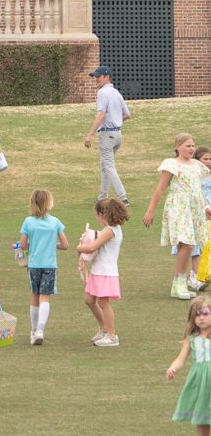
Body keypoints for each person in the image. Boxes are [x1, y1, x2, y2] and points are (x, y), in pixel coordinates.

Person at [144, 134, 211, 301]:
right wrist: (150, 211)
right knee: (187, 244)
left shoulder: (197, 165)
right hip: (178, 207)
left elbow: (197, 190)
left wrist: (205, 207)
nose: (191, 149)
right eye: (187, 145)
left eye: (192, 146)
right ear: (178, 147)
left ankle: (178, 285)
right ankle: (180, 282)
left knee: (189, 244)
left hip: (195, 209)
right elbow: (160, 188)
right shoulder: (171, 164)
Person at [166, 296, 211, 436]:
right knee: (203, 433)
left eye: (206, 313)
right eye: (197, 315)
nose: (201, 318)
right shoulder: (191, 340)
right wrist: (172, 368)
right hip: (201, 387)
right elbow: (181, 359)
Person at [20, 189, 69, 345]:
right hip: (49, 264)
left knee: (35, 295)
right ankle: (40, 329)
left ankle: (34, 330)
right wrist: (53, 245)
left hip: (34, 264)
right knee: (45, 296)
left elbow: (22, 244)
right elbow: (66, 245)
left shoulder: (28, 221)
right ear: (49, 203)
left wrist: (30, 245)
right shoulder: (55, 222)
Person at [77, 197, 126, 347]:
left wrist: (79, 248)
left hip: (105, 272)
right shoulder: (109, 230)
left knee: (104, 302)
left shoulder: (110, 231)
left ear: (102, 214)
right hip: (98, 271)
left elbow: (92, 247)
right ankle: (104, 329)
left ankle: (111, 336)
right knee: (90, 300)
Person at [83, 65, 131, 201]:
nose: (96, 79)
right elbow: (127, 114)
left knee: (108, 166)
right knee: (105, 166)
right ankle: (103, 196)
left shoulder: (102, 93)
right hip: (117, 135)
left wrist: (90, 134)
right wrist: (115, 120)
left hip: (107, 135)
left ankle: (123, 197)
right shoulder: (116, 92)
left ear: (106, 77)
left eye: (98, 77)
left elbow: (101, 114)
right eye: (95, 77)